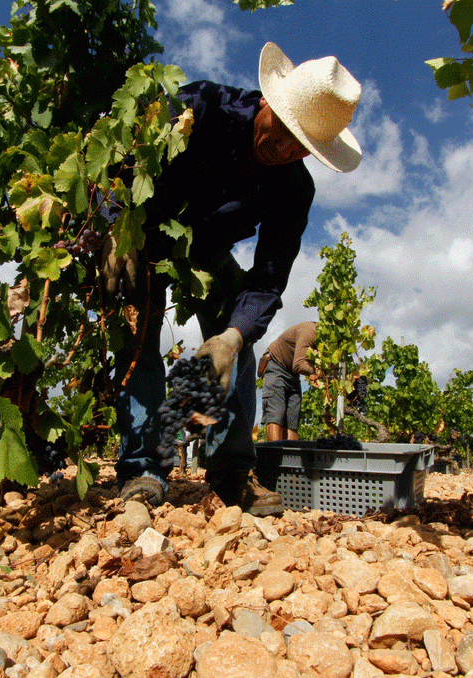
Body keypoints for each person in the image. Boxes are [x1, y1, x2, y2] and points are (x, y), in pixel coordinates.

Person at [104, 42, 362, 516]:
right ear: (268, 103)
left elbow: (266, 280)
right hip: (144, 234)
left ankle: (231, 474)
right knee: (137, 340)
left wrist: (232, 336)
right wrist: (118, 225)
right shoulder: (202, 108)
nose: (282, 149)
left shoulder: (294, 189)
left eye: (298, 147)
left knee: (238, 343)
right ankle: (143, 469)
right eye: (282, 131)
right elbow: (123, 160)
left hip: (205, 255)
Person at [258, 321, 319, 442]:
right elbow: (298, 364)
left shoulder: (328, 345)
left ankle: (291, 458)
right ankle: (274, 458)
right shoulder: (310, 332)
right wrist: (317, 372)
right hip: (276, 364)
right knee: (276, 414)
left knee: (293, 418)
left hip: (292, 374)